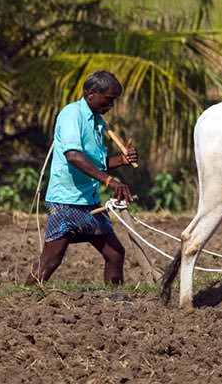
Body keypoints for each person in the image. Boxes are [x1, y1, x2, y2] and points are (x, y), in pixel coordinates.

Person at [29, 71, 138, 285]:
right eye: (108, 101)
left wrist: (121, 161)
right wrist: (109, 181)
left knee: (115, 254)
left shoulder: (97, 122)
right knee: (51, 261)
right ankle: (22, 299)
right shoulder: (72, 115)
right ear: (91, 95)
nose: (111, 106)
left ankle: (117, 303)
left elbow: (96, 163)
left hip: (89, 203)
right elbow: (74, 156)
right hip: (66, 202)